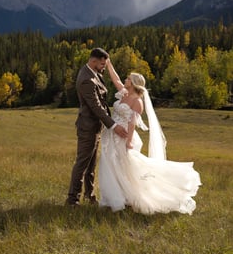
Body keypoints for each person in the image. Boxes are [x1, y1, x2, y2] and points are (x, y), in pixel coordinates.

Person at [98, 59, 201, 215]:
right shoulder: (124, 93)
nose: (125, 80)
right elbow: (116, 79)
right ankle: (116, 197)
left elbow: (132, 122)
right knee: (112, 164)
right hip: (112, 134)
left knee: (124, 166)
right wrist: (109, 64)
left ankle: (128, 197)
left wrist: (128, 141)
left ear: (132, 83)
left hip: (124, 135)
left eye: (128, 79)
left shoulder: (137, 101)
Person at [65, 48, 128, 207]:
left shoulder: (94, 73)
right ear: (93, 61)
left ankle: (90, 196)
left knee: (91, 165)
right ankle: (72, 200)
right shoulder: (87, 79)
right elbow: (96, 106)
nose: (104, 67)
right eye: (102, 63)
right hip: (87, 127)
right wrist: (113, 125)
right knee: (82, 164)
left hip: (95, 127)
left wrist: (109, 62)